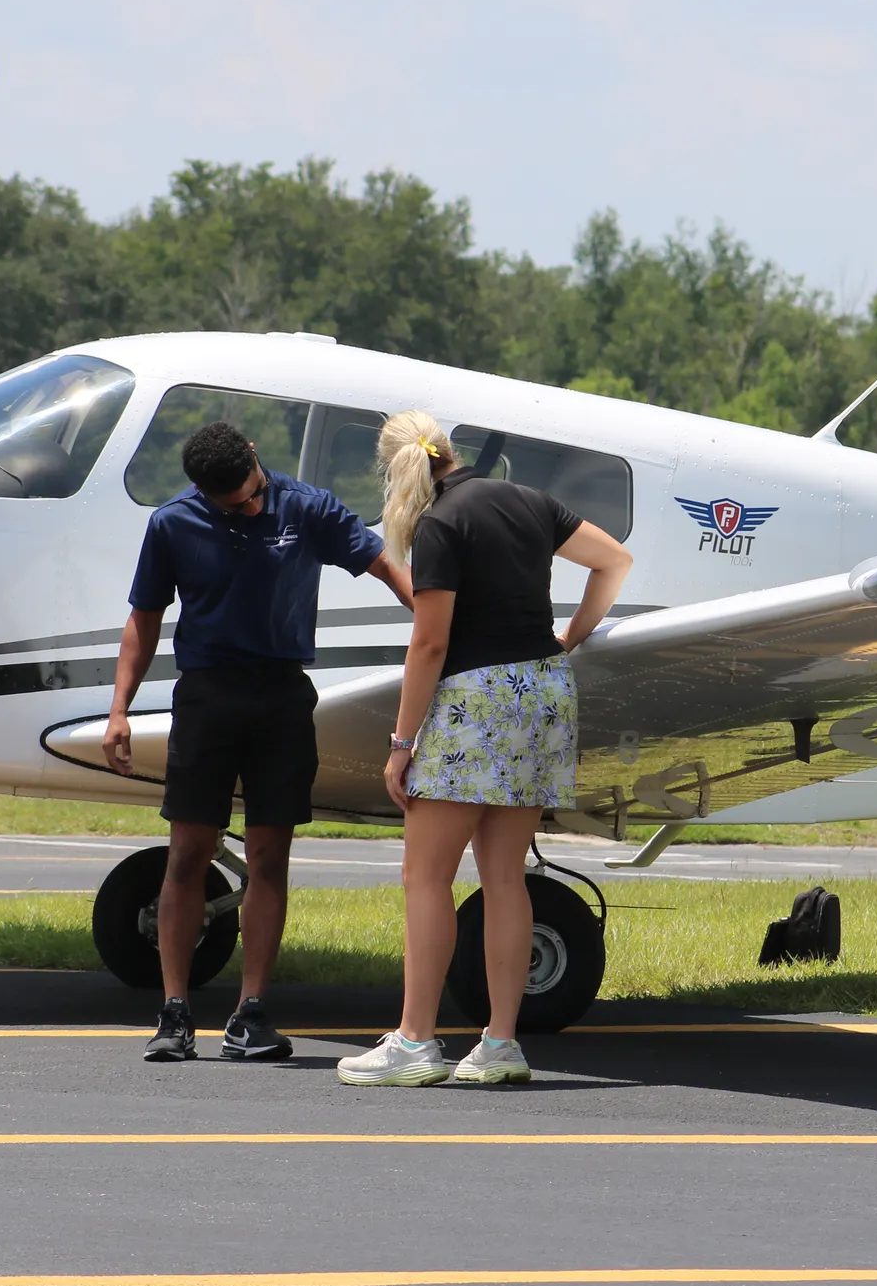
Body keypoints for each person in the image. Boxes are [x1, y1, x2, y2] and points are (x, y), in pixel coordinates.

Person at [336, 411, 633, 1087]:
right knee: (504, 877)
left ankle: (414, 1041)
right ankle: (500, 1043)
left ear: (397, 468)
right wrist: (569, 639)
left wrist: (401, 742)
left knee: (426, 875)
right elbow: (614, 560)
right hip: (545, 694)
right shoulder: (526, 498)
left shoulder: (441, 523)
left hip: (477, 704)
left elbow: (430, 643)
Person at [108, 419, 414, 1062]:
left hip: (280, 697)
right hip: (206, 697)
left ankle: (250, 1013)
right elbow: (143, 617)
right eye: (228, 505)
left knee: (271, 856)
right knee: (189, 852)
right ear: (201, 491)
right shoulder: (172, 523)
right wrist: (119, 711)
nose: (242, 508)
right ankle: (174, 1013)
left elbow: (384, 562)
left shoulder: (308, 508)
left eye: (248, 496)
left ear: (254, 456)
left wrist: (436, 622)